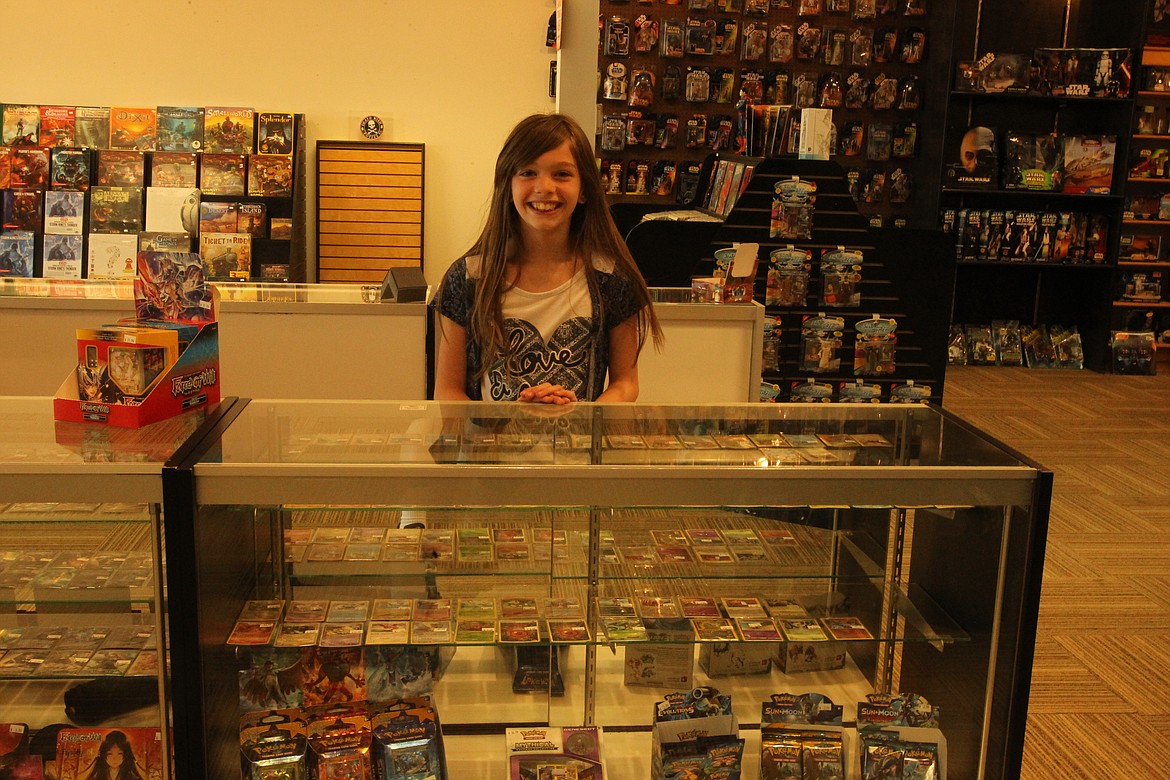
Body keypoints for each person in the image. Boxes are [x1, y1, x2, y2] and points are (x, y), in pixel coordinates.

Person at [431, 112, 662, 404]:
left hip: (578, 448)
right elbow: (447, 391)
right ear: (507, 186)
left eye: (562, 174)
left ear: (584, 190)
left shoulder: (613, 280)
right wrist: (506, 424)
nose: (544, 187)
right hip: (489, 448)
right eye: (528, 172)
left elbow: (626, 384)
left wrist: (579, 418)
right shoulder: (466, 278)